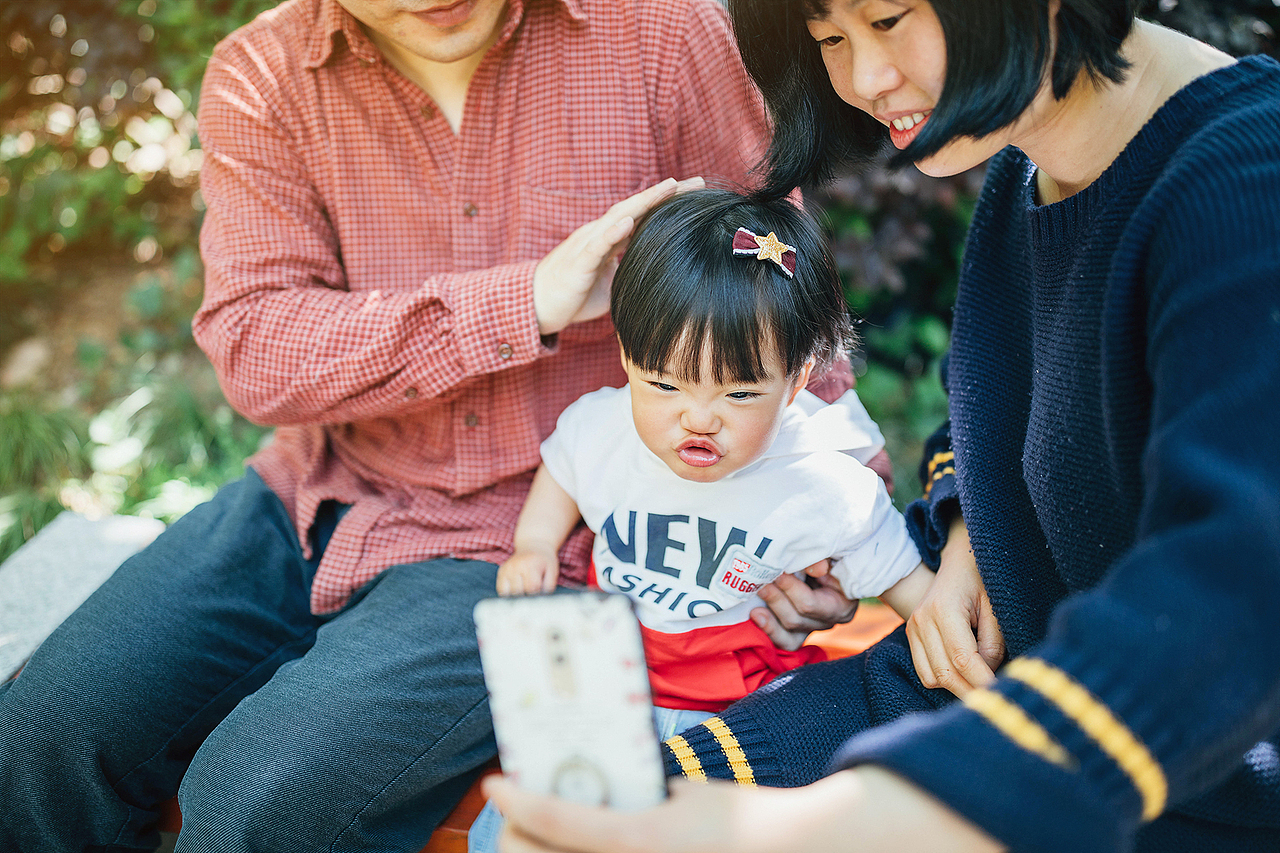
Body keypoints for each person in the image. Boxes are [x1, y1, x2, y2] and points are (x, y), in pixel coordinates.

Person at [0, 1, 839, 851]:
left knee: (261, 802)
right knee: (41, 737)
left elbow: (777, 284)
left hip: (527, 535)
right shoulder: (263, 73)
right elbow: (255, 347)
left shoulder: (661, 31)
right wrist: (525, 301)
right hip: (312, 492)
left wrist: (820, 530)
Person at [485, 1, 1280, 851]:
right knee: (565, 821)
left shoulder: (1245, 187)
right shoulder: (1024, 177)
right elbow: (997, 421)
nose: (865, 80)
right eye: (831, 40)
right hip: (963, 687)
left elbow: (1234, 584)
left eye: (891, 18)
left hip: (1153, 765)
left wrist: (882, 819)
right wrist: (974, 540)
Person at [468, 189, 934, 852]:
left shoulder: (820, 486)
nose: (698, 416)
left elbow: (912, 586)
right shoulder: (603, 428)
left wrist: (957, 645)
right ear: (628, 356)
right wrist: (535, 542)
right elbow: (565, 469)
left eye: (739, 392)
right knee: (519, 829)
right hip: (609, 685)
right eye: (665, 384)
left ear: (799, 379)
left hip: (734, 712)